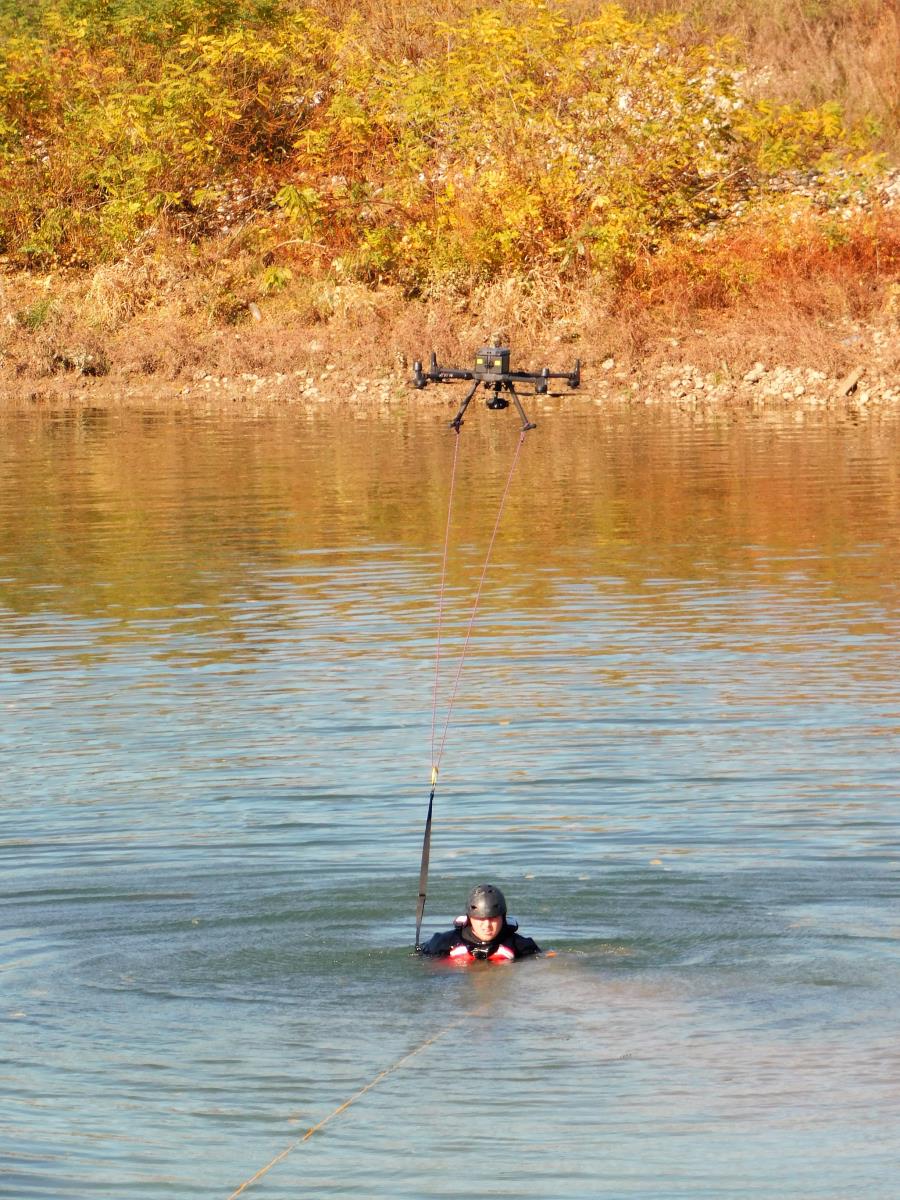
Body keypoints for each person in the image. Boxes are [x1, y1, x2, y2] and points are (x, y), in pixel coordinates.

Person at [419, 883, 540, 962]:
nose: (487, 925)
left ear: (503, 918)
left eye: (493, 918)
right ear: (469, 918)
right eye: (480, 919)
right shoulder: (443, 942)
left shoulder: (521, 945)